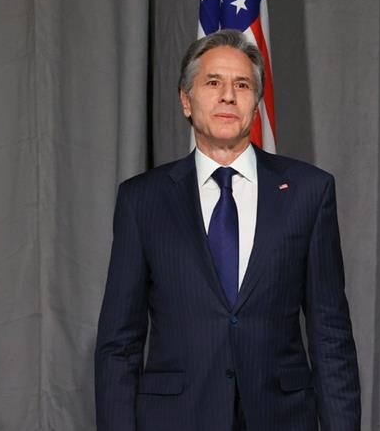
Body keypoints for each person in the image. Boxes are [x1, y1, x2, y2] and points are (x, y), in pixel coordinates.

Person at [95, 29, 360, 431]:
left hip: (281, 418)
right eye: (213, 82)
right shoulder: (142, 200)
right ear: (186, 100)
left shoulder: (309, 191)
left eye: (242, 85)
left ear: (256, 103)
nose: (228, 96)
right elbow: (119, 344)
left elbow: (331, 335)